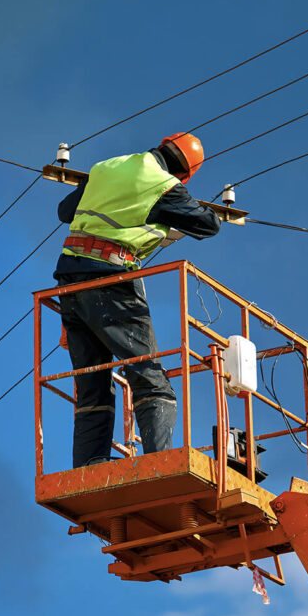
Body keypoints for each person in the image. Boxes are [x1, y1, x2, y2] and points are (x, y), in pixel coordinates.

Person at [54, 133, 221, 468]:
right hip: (109, 280)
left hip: (70, 280)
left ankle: (90, 464)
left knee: (92, 381)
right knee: (150, 377)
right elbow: (209, 225)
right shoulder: (163, 184)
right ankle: (160, 464)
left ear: (162, 145)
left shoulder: (107, 167)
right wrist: (170, 215)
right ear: (184, 175)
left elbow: (64, 211)